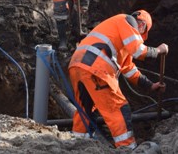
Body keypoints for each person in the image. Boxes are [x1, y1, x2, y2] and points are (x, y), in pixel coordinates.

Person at [67, 10, 168, 148]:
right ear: (142, 26)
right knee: (119, 109)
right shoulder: (127, 21)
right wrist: (158, 50)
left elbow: (128, 69)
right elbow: (138, 50)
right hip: (97, 69)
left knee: (85, 109)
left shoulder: (117, 34)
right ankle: (127, 148)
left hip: (77, 66)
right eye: (141, 28)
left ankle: (77, 144)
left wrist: (150, 86)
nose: (139, 30)